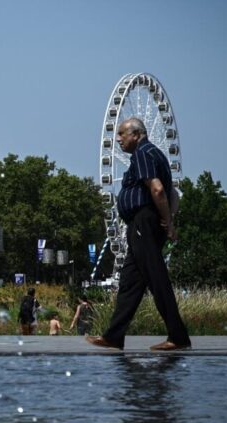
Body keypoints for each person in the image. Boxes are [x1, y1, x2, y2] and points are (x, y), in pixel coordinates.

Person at [86, 118, 191, 351]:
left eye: (122, 134)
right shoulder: (156, 154)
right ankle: (114, 336)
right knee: (130, 283)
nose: (119, 139)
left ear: (137, 134)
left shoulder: (143, 153)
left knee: (157, 278)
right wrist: (168, 218)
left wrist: (168, 222)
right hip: (142, 224)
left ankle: (178, 336)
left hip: (144, 221)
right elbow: (172, 193)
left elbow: (158, 189)